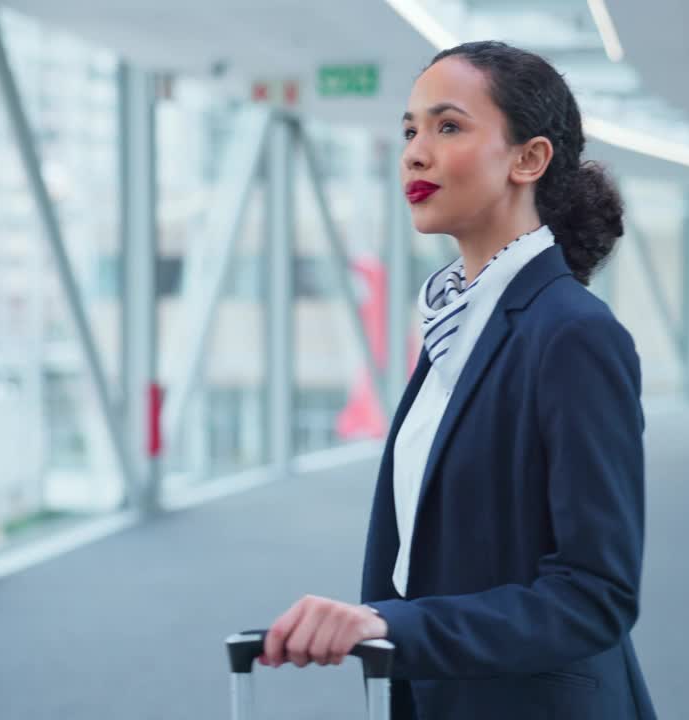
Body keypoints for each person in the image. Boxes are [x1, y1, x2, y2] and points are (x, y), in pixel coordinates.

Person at [258, 40, 657, 720]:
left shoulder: (572, 335)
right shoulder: (454, 325)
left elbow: (597, 596)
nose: (415, 152)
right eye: (410, 130)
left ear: (529, 159)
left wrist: (390, 628)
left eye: (448, 126)